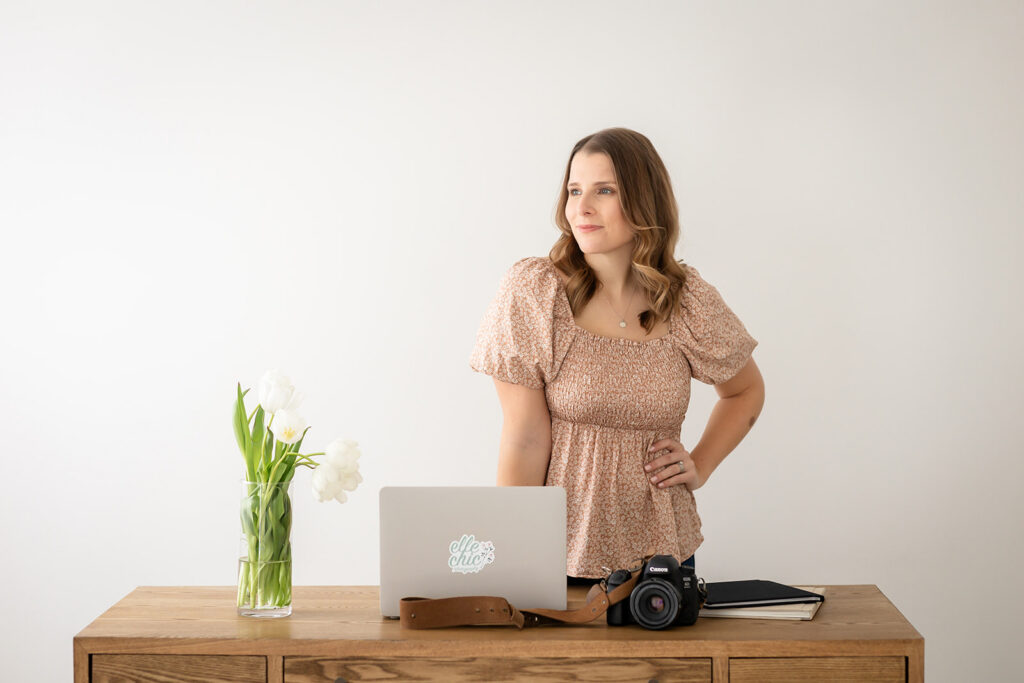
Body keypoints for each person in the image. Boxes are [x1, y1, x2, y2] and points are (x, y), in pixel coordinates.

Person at [469, 127, 765, 586]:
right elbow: (524, 438)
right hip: (559, 554)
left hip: (663, 559)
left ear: (643, 202)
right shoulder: (535, 291)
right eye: (573, 190)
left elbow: (744, 391)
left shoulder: (687, 301)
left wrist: (700, 464)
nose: (580, 208)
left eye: (603, 190)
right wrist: (510, 557)